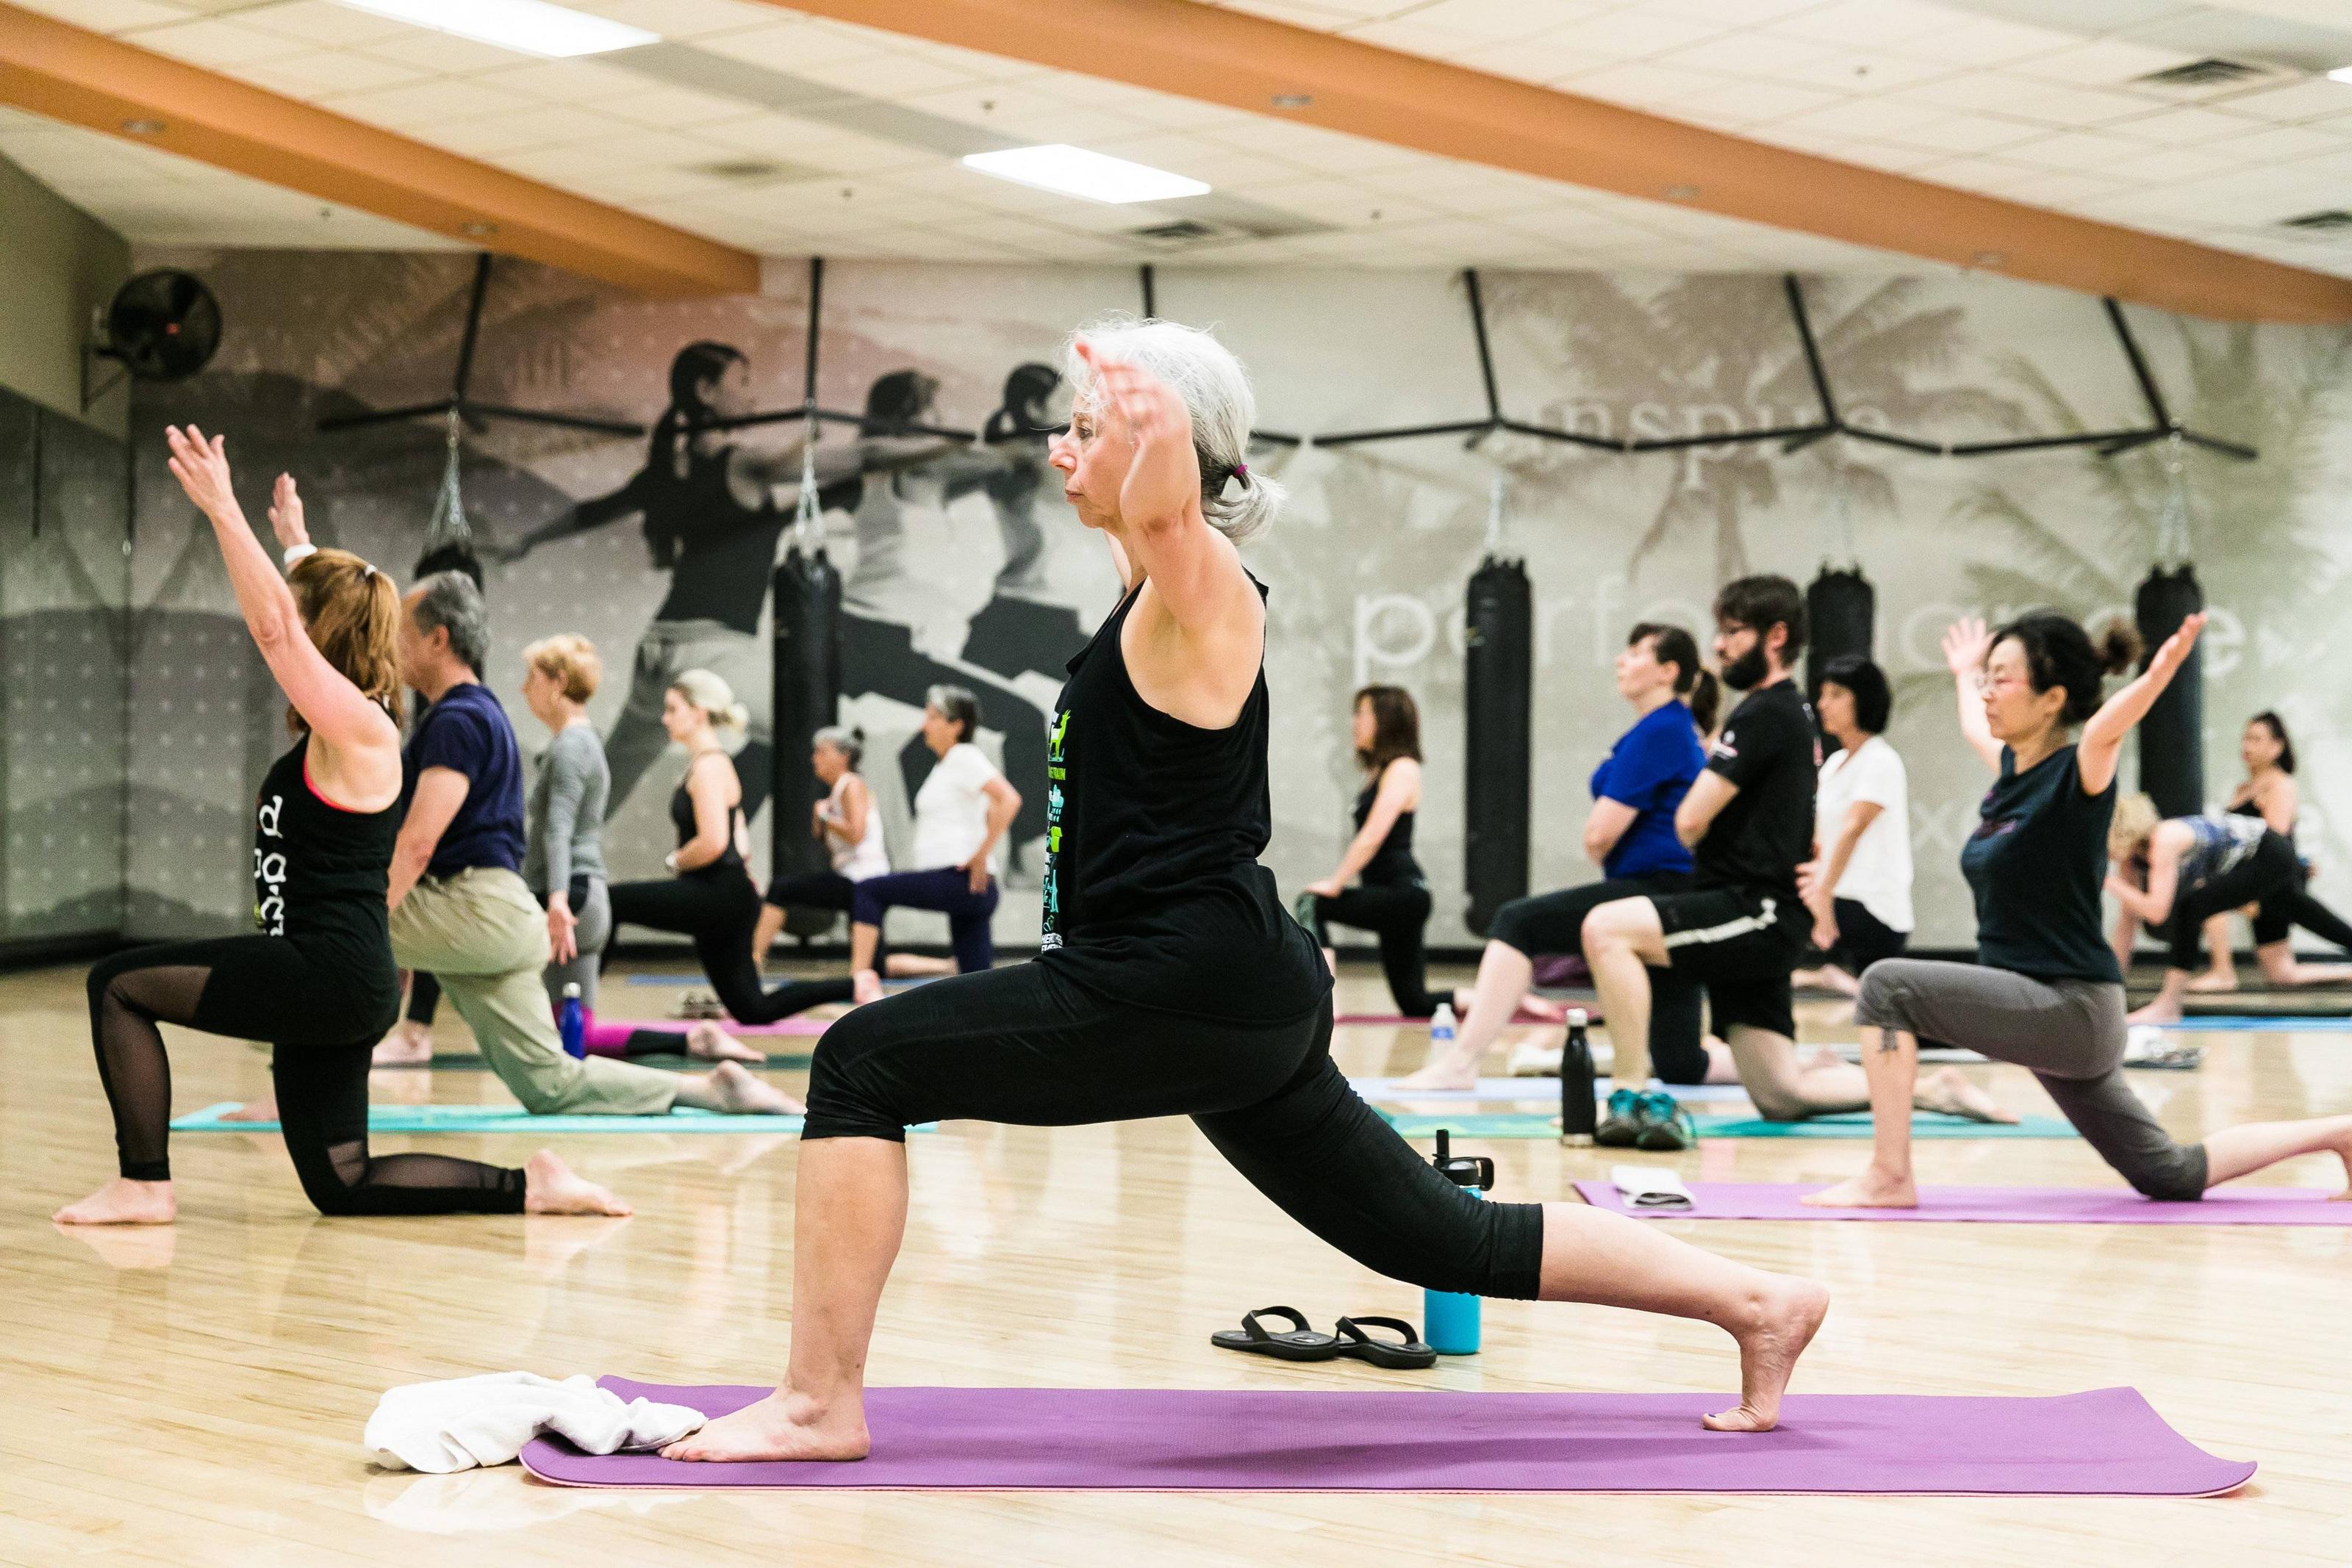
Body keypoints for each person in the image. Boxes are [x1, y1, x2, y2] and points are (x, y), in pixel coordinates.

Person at [657, 319, 1829, 1467]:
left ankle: (819, 1402)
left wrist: (1159, 422)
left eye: (1086, 430)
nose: (1059, 452)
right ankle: (1760, 1301)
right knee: (1437, 1234)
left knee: (861, 1060)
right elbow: (1153, 515)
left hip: (1174, 978)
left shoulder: (1205, 593)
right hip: (1224, 987)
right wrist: (1138, 427)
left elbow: (1170, 510)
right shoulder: (1144, 595)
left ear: (1166, 453)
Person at [54, 428, 624, 1223]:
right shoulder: (358, 721)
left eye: (301, 611)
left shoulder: (361, 730)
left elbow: (280, 631)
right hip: (336, 979)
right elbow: (311, 620)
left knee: (115, 985)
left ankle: (144, 1181)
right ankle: (533, 1186)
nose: (287, 622)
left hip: (322, 968)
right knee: (342, 1184)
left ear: (323, 634)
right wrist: (297, 547)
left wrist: (223, 510)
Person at [1805, 612, 2352, 1209]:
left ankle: (1889, 1176)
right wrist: (1965, 672)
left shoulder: (2079, 772)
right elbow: (1972, 725)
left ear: (2052, 700)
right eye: (1988, 679)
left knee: (1886, 988)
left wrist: (2159, 673)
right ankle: (2341, 1133)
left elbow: (2107, 730)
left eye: (2003, 680)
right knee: (2168, 1173)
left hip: (2068, 1006)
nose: (1988, 693)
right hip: (2048, 1007)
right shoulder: (2014, 773)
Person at [1580, 578, 1999, 1151]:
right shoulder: (1789, 715)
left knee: (1605, 928)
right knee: (1781, 1095)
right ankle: (1930, 1089)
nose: (1719, 646)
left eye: (1732, 632)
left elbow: (1688, 820)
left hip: (1753, 912)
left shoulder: (1762, 714)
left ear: (1776, 637)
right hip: (1768, 915)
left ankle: (1627, 1092)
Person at [382, 579, 794, 1118]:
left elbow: (544, 831)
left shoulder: (509, 730)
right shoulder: (536, 732)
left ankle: (325, 1068)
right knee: (554, 1073)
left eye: (533, 676)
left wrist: (556, 900)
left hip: (543, 899)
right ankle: (705, 1078)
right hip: (518, 909)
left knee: (334, 919)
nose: (525, 687)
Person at [501, 344, 941, 824]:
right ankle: (861, 873)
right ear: (707, 392)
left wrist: (524, 542)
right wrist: (957, 442)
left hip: (658, 652)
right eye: (744, 383)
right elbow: (869, 453)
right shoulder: (738, 463)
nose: (753, 397)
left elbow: (591, 511)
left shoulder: (668, 468)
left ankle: (522, 860)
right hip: (709, 657)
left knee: (603, 793)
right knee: (835, 738)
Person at [1400, 623, 1724, 1090]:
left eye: (1635, 653)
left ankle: (1461, 1063)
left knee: (1517, 921)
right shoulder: (1668, 727)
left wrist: (1601, 845)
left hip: (1657, 890)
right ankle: (1804, 1074)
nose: (1621, 661)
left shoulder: (1662, 730)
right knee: (1680, 1063)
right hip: (1667, 895)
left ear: (1667, 671)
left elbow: (1600, 835)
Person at [607, 670, 860, 1028]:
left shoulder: (710, 766)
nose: (664, 718)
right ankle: (855, 984)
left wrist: (674, 860)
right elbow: (738, 842)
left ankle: (575, 1011)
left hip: (718, 895)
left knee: (609, 903)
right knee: (754, 1009)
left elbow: (714, 843)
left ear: (698, 712)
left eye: (672, 709)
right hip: (728, 897)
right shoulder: (709, 764)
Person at [844, 686, 1022, 1005]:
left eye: (934, 718)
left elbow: (1008, 799)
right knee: (976, 985)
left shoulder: (965, 757)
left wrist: (982, 855)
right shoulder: (949, 764)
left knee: (869, 890)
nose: (925, 726)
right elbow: (994, 806)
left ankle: (859, 981)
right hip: (971, 888)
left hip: (959, 880)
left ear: (957, 725)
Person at [2106, 796, 2352, 1025]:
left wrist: (2109, 882)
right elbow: (2128, 922)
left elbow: (2157, 911)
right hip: (2258, 859)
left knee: (2192, 907)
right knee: (2303, 915)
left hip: (2269, 852)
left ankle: (2169, 1005)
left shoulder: (2163, 839)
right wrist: (2111, 989)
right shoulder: (2132, 860)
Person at [1299, 686, 1444, 1018]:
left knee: (1313, 903)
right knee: (1415, 1002)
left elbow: (1373, 836)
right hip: (1395, 894)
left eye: (1362, 714)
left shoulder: (1403, 768)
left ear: (1385, 720)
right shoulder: (1378, 772)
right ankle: (1513, 1002)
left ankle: (1322, 1005)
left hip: (1402, 893)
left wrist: (1336, 881)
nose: (1354, 723)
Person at [2187, 711, 2352, 993]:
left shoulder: (2281, 784)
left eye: (2255, 739)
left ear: (2277, 747)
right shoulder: (2243, 789)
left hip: (2273, 884)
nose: (2246, 746)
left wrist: (2247, 893)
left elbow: (2274, 844)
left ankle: (2223, 972)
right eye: (2245, 738)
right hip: (2258, 883)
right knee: (2281, 973)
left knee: (2206, 893)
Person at [1795, 655, 1912, 997]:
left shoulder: (1880, 760)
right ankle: (1835, 982)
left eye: (1835, 695)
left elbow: (1852, 829)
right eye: (1822, 694)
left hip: (1871, 903)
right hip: (1838, 893)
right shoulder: (1833, 765)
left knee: (1887, 1006)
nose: (1822, 704)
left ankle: (1834, 981)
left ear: (1862, 699)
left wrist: (1822, 898)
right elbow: (1822, 836)